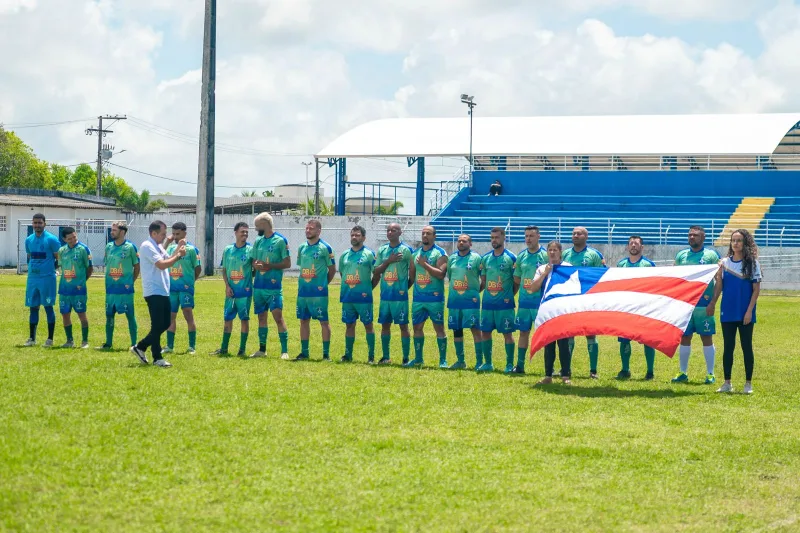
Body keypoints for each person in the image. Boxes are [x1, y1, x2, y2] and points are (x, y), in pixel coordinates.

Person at [708, 229, 761, 394]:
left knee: (746, 347)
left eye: (739, 240)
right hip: (728, 311)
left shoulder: (752, 263)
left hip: (745, 312)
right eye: (733, 240)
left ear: (745, 243)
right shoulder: (723, 263)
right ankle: (727, 383)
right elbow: (719, 286)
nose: (735, 243)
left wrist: (749, 311)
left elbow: (756, 290)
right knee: (728, 347)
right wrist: (713, 303)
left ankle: (748, 383)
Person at [130, 220, 186, 367]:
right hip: (153, 290)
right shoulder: (147, 246)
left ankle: (143, 349)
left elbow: (167, 259)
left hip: (162, 290)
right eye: (162, 233)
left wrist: (178, 249)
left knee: (164, 323)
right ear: (153, 233)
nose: (165, 236)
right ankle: (154, 356)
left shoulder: (158, 245)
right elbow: (162, 265)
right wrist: (179, 256)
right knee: (158, 325)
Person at [672, 225, 721, 384]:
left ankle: (710, 374)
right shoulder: (681, 256)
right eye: (690, 235)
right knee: (685, 337)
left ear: (703, 238)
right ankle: (683, 372)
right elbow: (675, 279)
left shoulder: (711, 255)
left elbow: (719, 280)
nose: (692, 237)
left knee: (706, 337)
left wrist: (713, 302)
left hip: (704, 304)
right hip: (685, 305)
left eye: (696, 235)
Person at [562, 226, 605, 378]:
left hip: (588, 299)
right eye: (573, 233)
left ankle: (593, 371)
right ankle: (566, 369)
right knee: (569, 334)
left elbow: (601, 276)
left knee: (590, 334)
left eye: (579, 233)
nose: (575, 235)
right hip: (570, 300)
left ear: (586, 236)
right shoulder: (565, 254)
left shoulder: (594, 255)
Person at [528, 241, 573, 385]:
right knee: (548, 344)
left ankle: (566, 375)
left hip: (562, 311)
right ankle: (548, 375)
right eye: (550, 250)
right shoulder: (542, 268)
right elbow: (532, 288)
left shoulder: (568, 268)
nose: (552, 252)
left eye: (555, 250)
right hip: (547, 311)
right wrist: (545, 274)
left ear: (560, 252)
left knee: (564, 344)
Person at [248, 212, 291, 359]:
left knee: (278, 318)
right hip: (258, 286)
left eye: (257, 226)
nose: (255, 229)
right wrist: (257, 265)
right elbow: (253, 261)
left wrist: (269, 266)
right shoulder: (258, 241)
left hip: (273, 287)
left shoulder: (280, 241)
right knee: (261, 318)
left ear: (265, 225)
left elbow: (287, 263)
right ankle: (262, 350)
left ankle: (284, 351)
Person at [616, 235, 657, 380]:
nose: (633, 245)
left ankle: (650, 371)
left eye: (636, 243)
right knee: (625, 339)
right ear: (627, 247)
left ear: (642, 247)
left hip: (644, 308)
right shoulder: (621, 265)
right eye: (631, 243)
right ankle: (625, 369)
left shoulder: (648, 265)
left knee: (647, 339)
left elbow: (655, 286)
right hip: (626, 308)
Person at [373, 222, 415, 364]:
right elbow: (376, 271)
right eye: (389, 230)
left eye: (394, 230)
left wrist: (404, 288)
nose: (390, 232)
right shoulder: (383, 250)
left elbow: (412, 274)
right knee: (385, 325)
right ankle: (386, 356)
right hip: (385, 296)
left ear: (400, 233)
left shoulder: (407, 250)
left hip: (400, 298)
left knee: (403, 326)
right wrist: (388, 261)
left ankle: (405, 358)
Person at [295, 220, 336, 361]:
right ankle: (304, 353)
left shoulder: (326, 248)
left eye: (311, 228)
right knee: (303, 321)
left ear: (319, 231)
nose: (308, 230)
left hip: (319, 294)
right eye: (306, 228)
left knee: (323, 322)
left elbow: (332, 270)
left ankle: (326, 355)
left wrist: (323, 284)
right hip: (303, 293)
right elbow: (302, 267)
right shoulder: (301, 247)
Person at [479, 227, 518, 373]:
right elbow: (483, 281)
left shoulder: (511, 258)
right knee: (485, 332)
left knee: (507, 334)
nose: (493, 240)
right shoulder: (486, 258)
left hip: (505, 305)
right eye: (492, 238)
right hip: (488, 304)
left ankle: (509, 364)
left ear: (503, 238)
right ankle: (488, 363)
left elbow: (516, 282)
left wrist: (508, 296)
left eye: (496, 237)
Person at [410, 225, 448, 368]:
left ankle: (443, 360)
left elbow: (441, 274)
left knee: (439, 328)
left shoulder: (440, 253)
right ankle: (418, 359)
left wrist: (425, 264)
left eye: (428, 233)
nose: (425, 235)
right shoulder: (415, 254)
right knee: (417, 328)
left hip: (434, 298)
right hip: (418, 298)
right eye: (423, 233)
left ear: (434, 236)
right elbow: (412, 275)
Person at [213, 222, 253, 357]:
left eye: (247, 232)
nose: (245, 234)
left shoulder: (251, 250)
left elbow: (255, 270)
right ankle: (224, 348)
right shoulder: (228, 250)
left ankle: (242, 350)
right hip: (230, 293)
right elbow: (224, 270)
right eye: (242, 232)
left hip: (244, 292)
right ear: (235, 232)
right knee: (227, 319)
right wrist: (227, 286)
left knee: (244, 319)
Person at [512, 225, 548, 374]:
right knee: (523, 333)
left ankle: (549, 369)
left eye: (531, 236)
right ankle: (520, 365)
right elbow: (517, 278)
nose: (528, 239)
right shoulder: (521, 256)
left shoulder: (546, 255)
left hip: (541, 303)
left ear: (538, 236)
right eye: (526, 236)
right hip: (525, 303)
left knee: (546, 335)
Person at [339, 226, 377, 362]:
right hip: (348, 297)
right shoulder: (344, 255)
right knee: (349, 325)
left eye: (357, 235)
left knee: (368, 325)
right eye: (352, 235)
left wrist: (368, 288)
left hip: (364, 298)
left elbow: (376, 273)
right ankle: (348, 355)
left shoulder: (369, 254)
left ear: (364, 238)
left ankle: (371, 356)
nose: (354, 237)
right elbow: (342, 273)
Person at [162, 222, 201, 354]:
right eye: (173, 234)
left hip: (185, 289)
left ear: (185, 233)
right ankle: (169, 346)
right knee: (170, 316)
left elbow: (198, 268)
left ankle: (192, 347)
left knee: (188, 315)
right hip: (171, 289)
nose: (175, 236)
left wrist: (190, 282)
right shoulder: (170, 249)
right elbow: (162, 259)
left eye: (178, 234)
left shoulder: (192, 250)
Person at [23, 213, 61, 347]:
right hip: (33, 279)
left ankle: (50, 339)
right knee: (33, 307)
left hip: (47, 279)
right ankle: (32, 338)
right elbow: (30, 256)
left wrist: (53, 270)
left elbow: (58, 258)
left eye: (39, 223)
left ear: (45, 223)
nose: (37, 225)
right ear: (32, 224)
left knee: (48, 307)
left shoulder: (52, 239)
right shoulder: (28, 240)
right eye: (35, 223)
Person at [446, 234, 483, 370]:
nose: (461, 243)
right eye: (459, 241)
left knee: (475, 329)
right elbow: (450, 277)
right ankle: (460, 360)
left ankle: (479, 361)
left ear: (470, 244)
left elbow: (483, 279)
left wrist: (474, 293)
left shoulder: (477, 258)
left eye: (464, 241)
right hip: (455, 300)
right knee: (457, 330)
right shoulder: (452, 258)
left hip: (471, 301)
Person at [100, 221, 139, 350]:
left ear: (122, 232)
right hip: (111, 289)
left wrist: (130, 282)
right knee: (109, 316)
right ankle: (108, 342)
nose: (111, 232)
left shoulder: (130, 247)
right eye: (111, 230)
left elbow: (137, 266)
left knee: (130, 315)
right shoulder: (108, 247)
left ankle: (134, 344)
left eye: (114, 230)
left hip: (125, 290)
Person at [57, 227, 93, 348]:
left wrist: (82, 282)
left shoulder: (83, 249)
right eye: (69, 239)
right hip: (64, 290)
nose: (73, 240)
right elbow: (61, 266)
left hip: (79, 290)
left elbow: (90, 268)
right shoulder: (62, 251)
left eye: (74, 237)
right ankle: (69, 341)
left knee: (81, 314)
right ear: (64, 239)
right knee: (65, 314)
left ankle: (85, 341)